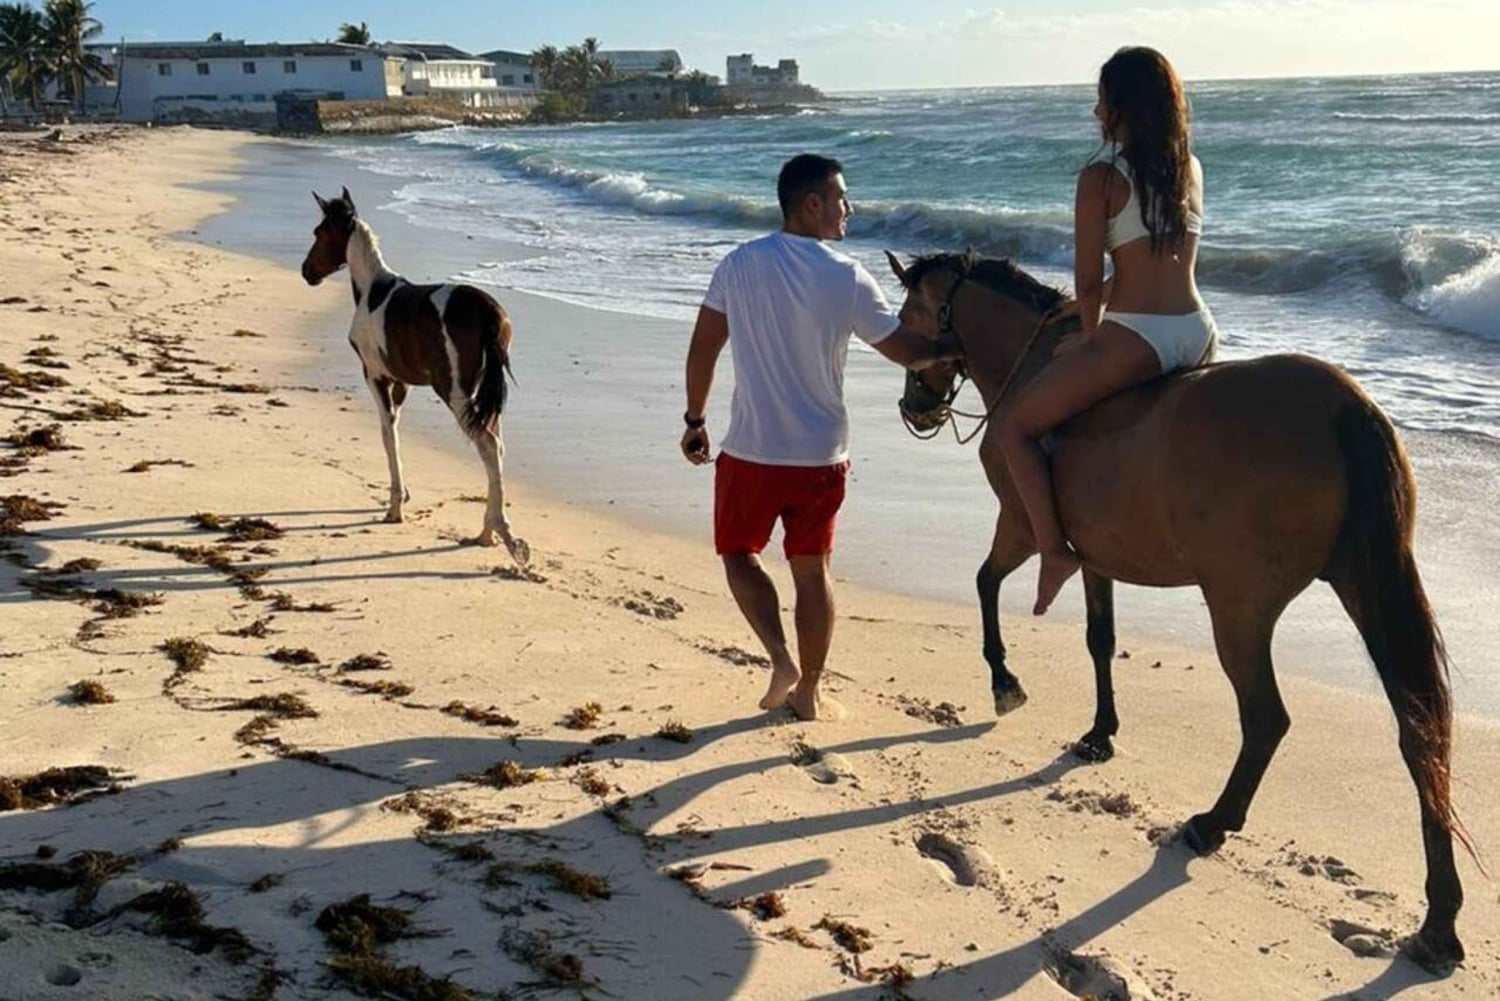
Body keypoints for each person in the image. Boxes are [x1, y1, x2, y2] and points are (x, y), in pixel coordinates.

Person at [681, 153, 956, 721]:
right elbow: (906, 350)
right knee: (813, 572)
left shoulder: (738, 265)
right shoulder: (847, 276)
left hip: (752, 450)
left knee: (738, 556)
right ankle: (809, 691)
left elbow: (705, 345)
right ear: (812, 204)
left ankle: (781, 659)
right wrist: (959, 348)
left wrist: (694, 419)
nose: (848, 209)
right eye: (841, 199)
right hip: (822, 455)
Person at [1000, 46, 1217, 616]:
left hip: (1137, 336)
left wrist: (1092, 336)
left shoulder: (1100, 176)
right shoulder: (1191, 169)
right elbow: (1167, 259)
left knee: (1016, 428)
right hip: (1198, 331)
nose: (1096, 112)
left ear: (1123, 105)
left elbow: (1088, 280)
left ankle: (1052, 551)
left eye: (1102, 100)